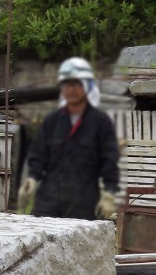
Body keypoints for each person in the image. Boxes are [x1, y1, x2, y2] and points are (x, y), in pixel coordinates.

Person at [18, 57, 120, 220]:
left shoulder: (101, 123)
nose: (71, 89)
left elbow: (109, 160)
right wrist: (32, 179)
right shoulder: (52, 121)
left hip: (83, 204)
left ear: (87, 86)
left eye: (76, 84)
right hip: (48, 201)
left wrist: (109, 193)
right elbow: (38, 155)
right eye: (66, 84)